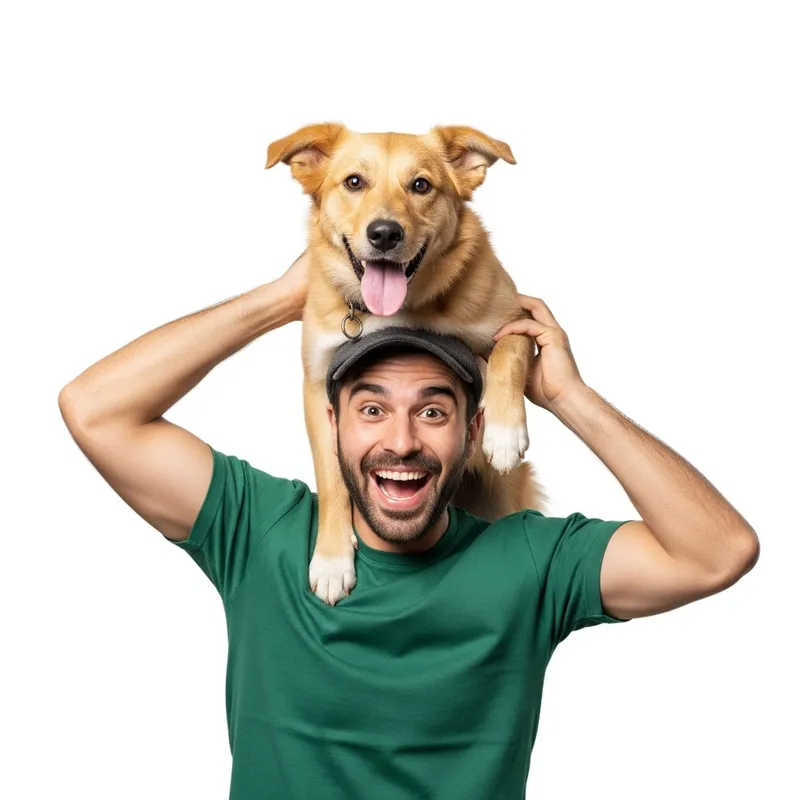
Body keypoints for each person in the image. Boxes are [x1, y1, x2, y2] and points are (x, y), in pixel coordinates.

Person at [58, 251, 759, 799]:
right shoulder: (264, 531)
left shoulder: (530, 562)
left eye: (432, 410)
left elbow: (717, 552)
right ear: (330, 423)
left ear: (474, 429)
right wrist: (283, 298)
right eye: (371, 409)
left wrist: (568, 397)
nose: (400, 441)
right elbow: (95, 408)